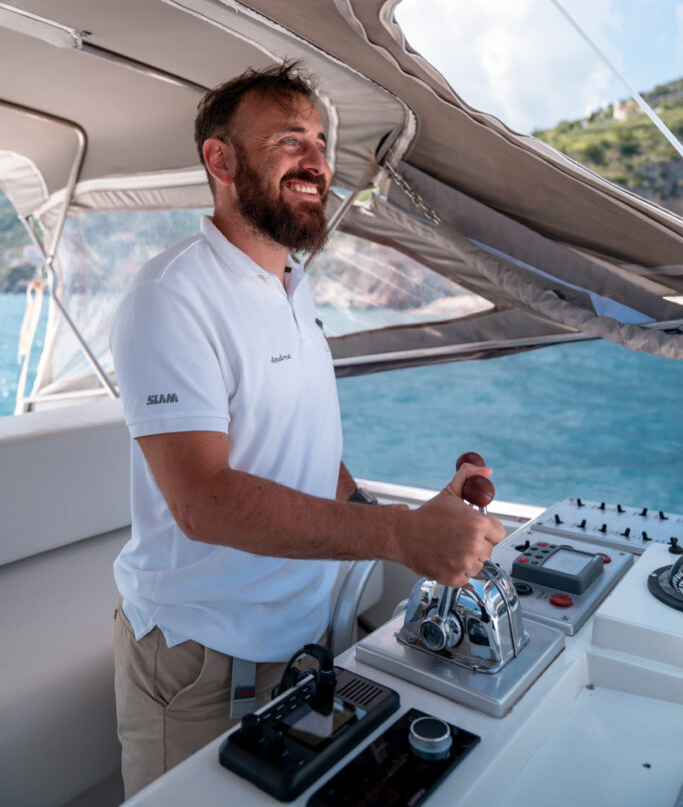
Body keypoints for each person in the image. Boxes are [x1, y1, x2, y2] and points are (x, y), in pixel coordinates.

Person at [110, 61, 505, 797]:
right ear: (220, 160)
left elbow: (305, 447)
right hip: (206, 655)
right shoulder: (171, 295)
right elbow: (204, 503)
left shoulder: (291, 284)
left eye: (321, 143)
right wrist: (396, 536)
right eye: (290, 141)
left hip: (301, 639)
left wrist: (409, 519)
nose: (318, 162)